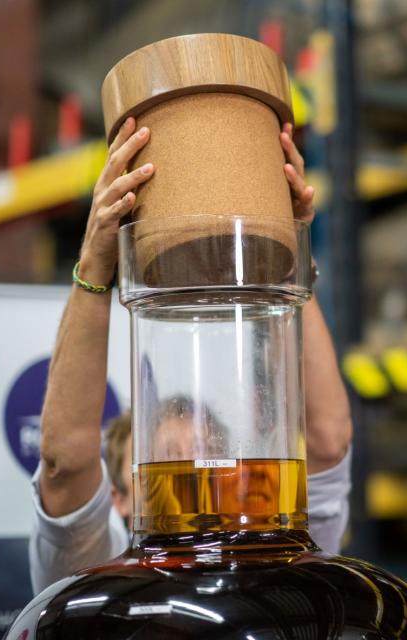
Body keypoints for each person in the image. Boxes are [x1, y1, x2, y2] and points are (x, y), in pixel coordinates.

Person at [28, 117, 353, 594]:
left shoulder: (274, 550)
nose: (194, 471)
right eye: (169, 457)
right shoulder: (97, 572)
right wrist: (98, 260)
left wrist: (288, 253)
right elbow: (65, 465)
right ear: (118, 498)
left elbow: (326, 441)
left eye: (206, 451)